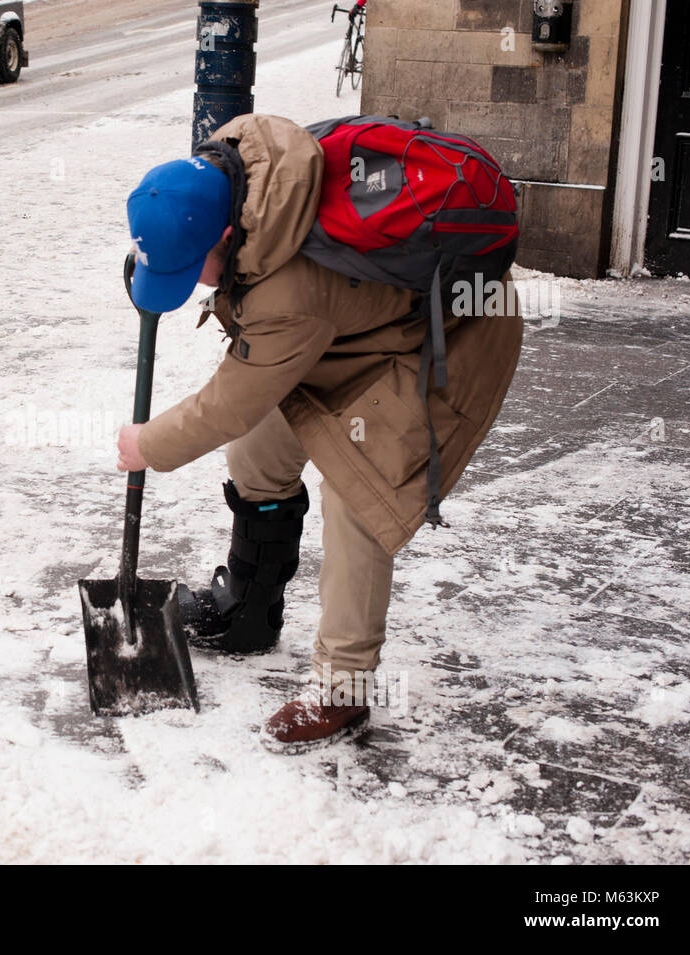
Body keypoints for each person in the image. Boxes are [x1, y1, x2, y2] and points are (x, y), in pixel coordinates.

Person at [119, 114, 521, 752]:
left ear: (225, 234)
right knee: (257, 452)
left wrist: (147, 445)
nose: (191, 282)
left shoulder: (290, 291)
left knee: (359, 498)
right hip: (349, 334)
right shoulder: (237, 159)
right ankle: (251, 608)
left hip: (442, 344)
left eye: (192, 266)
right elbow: (247, 406)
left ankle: (344, 694)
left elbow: (229, 402)